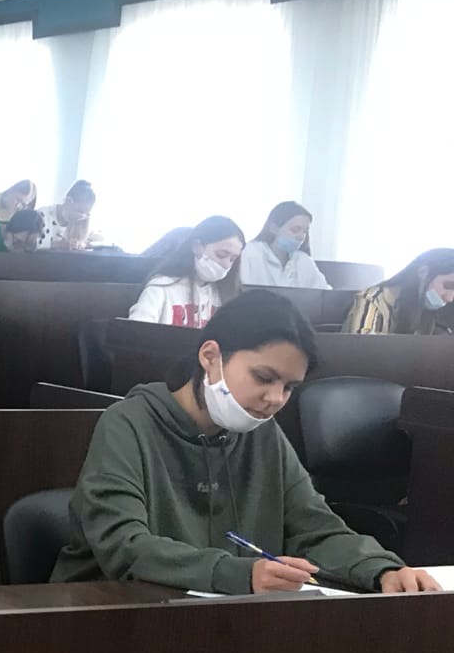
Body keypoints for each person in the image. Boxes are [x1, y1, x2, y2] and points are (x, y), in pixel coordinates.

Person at [53, 291, 441, 597]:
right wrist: (238, 574)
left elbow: (316, 528)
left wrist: (382, 569)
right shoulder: (128, 422)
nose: (275, 399)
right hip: (109, 612)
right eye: (263, 378)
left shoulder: (261, 432)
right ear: (210, 356)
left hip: (223, 619)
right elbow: (124, 546)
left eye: (289, 387)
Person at [127, 215, 244, 327]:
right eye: (221, 254)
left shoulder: (225, 294)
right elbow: (137, 331)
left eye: (233, 259)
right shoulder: (162, 286)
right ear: (197, 246)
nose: (226, 264)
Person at [344, 249, 454, 335]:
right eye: (448, 286)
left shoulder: (442, 310)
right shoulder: (374, 300)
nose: (450, 298)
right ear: (423, 272)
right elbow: (363, 348)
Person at [240, 202, 330, 290]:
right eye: (295, 230)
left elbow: (324, 293)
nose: (301, 236)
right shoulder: (250, 253)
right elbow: (238, 290)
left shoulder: (303, 260)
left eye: (304, 231)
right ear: (274, 228)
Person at [39, 179, 103, 251]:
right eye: (79, 211)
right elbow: (32, 244)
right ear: (68, 201)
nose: (81, 217)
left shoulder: (83, 220)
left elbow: (96, 239)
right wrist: (58, 245)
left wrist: (81, 244)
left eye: (86, 214)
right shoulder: (41, 215)